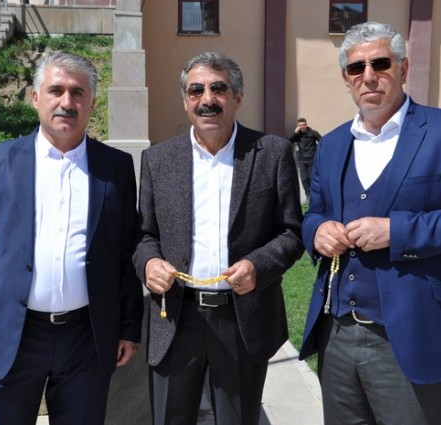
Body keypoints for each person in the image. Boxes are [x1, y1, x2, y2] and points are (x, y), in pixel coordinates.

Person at [299, 21, 441, 425]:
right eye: (356, 67)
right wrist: (317, 233)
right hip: (337, 335)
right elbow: (314, 214)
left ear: (403, 68)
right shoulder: (333, 144)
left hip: (417, 336)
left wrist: (397, 231)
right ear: (346, 79)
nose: (368, 76)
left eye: (380, 63)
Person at [0, 52, 144, 425]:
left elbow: (125, 253)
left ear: (91, 103)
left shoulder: (116, 167)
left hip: (86, 339)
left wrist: (128, 327)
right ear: (36, 98)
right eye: (56, 90)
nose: (66, 102)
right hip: (13, 336)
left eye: (78, 93)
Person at [133, 51, 304, 425]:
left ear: (237, 97)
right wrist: (149, 263)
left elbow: (292, 232)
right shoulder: (157, 159)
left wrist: (258, 266)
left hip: (242, 318)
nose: (206, 99)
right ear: (185, 100)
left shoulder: (272, 153)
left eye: (218, 88)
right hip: (175, 316)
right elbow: (144, 234)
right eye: (196, 90)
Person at [289, 117, 321, 201]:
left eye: (304, 125)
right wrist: (295, 133)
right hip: (302, 160)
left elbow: (322, 141)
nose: (302, 126)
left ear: (306, 125)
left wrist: (317, 152)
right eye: (300, 125)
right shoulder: (297, 135)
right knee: (304, 179)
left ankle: (314, 195)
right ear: (298, 126)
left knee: (311, 178)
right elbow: (289, 141)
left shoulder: (313, 133)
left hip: (312, 159)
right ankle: (308, 195)